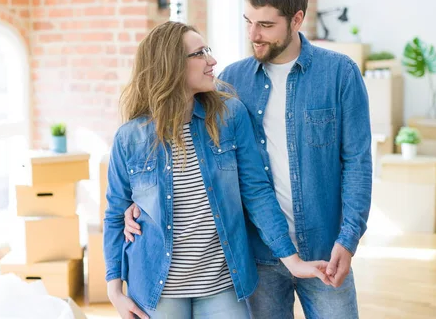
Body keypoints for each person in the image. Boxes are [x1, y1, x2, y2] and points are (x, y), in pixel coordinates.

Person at [123, 0, 372, 319]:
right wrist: (135, 203)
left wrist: (348, 239)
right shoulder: (230, 81)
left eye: (266, 25)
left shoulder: (340, 73)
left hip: (325, 249)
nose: (254, 35)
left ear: (297, 19)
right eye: (248, 22)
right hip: (258, 256)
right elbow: (183, 151)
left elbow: (358, 163)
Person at [103, 21, 331, 319]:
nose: (212, 61)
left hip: (222, 285)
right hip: (157, 289)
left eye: (207, 50)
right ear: (170, 66)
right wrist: (114, 292)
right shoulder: (130, 138)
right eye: (200, 54)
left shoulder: (229, 116)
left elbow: (256, 192)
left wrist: (292, 260)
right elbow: (114, 214)